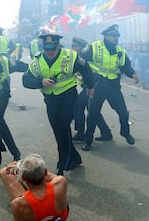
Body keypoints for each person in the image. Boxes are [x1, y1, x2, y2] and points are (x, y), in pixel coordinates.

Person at [22, 34, 96, 175]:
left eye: (53, 48)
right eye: (47, 48)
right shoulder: (38, 61)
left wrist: (91, 86)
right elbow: (25, 80)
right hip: (51, 100)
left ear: (58, 45)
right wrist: (40, 82)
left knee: (62, 128)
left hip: (68, 97)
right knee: (59, 132)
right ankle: (75, 158)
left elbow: (86, 69)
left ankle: (61, 165)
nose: (50, 51)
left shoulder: (70, 56)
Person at [78, 24, 139, 151]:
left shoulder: (120, 51)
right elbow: (79, 60)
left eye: (117, 36)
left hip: (113, 87)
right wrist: (85, 79)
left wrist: (132, 74)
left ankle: (125, 133)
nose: (116, 38)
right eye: (113, 36)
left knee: (123, 112)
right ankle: (88, 140)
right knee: (93, 114)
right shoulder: (93, 47)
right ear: (106, 36)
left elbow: (125, 66)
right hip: (97, 85)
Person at [71, 37, 112, 142]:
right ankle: (106, 132)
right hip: (89, 85)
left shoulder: (85, 57)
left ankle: (80, 133)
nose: (73, 49)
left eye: (75, 47)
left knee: (79, 105)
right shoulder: (77, 56)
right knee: (92, 110)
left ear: (81, 48)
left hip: (93, 86)